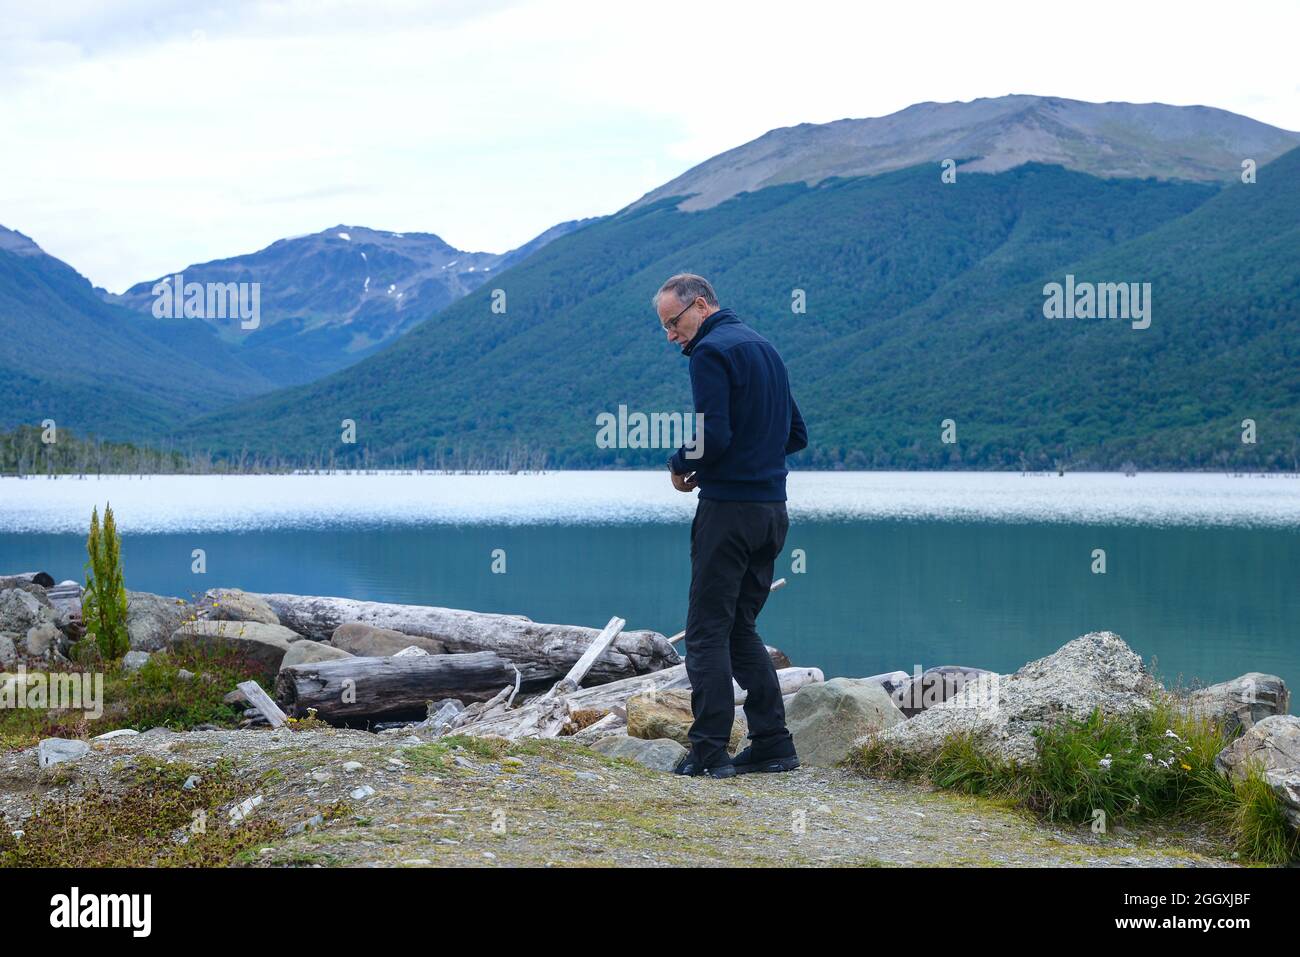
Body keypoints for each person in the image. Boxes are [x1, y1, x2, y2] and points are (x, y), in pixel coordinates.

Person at [654, 273, 808, 778]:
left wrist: (680, 464)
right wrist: (750, 461)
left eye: (673, 323)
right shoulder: (766, 348)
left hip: (729, 514)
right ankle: (773, 744)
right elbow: (795, 434)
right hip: (772, 512)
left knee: (705, 632)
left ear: (700, 305)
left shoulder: (711, 352)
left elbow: (712, 435)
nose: (672, 335)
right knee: (741, 627)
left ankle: (709, 753)